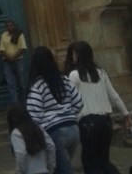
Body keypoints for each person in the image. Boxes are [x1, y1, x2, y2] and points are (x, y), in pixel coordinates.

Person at [68, 41, 131, 174]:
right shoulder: (101, 73)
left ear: (78, 56)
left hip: (87, 122)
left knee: (90, 161)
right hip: (105, 120)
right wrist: (125, 113)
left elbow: (71, 100)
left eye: (74, 54)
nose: (72, 57)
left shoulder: (74, 75)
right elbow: (113, 95)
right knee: (104, 159)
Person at [26, 46, 83, 174]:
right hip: (73, 129)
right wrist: (67, 114)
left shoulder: (37, 86)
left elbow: (34, 116)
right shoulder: (64, 79)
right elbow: (79, 103)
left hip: (55, 132)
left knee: (64, 170)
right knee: (63, 167)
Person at [7, 102, 56, 174]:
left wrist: (19, 172)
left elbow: (21, 153)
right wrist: (50, 167)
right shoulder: (38, 128)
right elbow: (51, 146)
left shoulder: (16, 133)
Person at [0, 19, 27, 104]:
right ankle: (15, 104)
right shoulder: (4, 35)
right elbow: (1, 50)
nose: (9, 27)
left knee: (21, 83)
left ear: (14, 26)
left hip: (18, 61)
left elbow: (23, 48)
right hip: (7, 63)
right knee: (11, 84)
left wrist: (13, 57)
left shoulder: (19, 34)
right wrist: (9, 58)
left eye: (11, 25)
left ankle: (24, 103)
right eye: (7, 26)